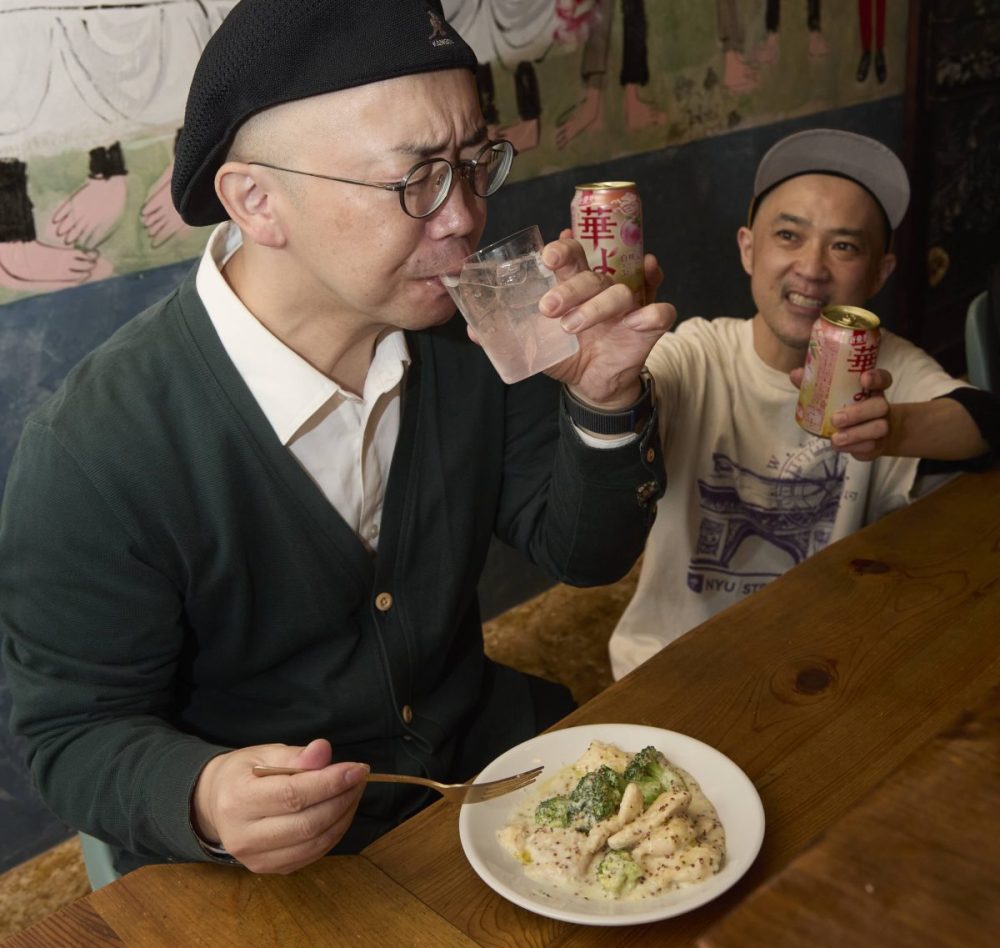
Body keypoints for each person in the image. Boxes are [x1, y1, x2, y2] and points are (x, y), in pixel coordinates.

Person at [0, 0, 675, 877]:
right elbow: (72, 733)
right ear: (257, 200)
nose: (464, 217)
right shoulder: (97, 451)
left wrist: (604, 401)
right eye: (417, 179)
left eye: (474, 165)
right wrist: (203, 797)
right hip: (263, 862)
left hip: (474, 774)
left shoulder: (471, 333)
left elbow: (581, 556)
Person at [609, 128, 998, 679]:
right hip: (673, 664)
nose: (813, 268)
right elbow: (634, 399)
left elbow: (984, 421)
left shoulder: (891, 366)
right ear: (748, 248)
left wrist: (894, 430)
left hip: (822, 665)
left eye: (844, 246)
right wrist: (606, 376)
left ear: (880, 271)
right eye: (789, 235)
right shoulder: (699, 353)